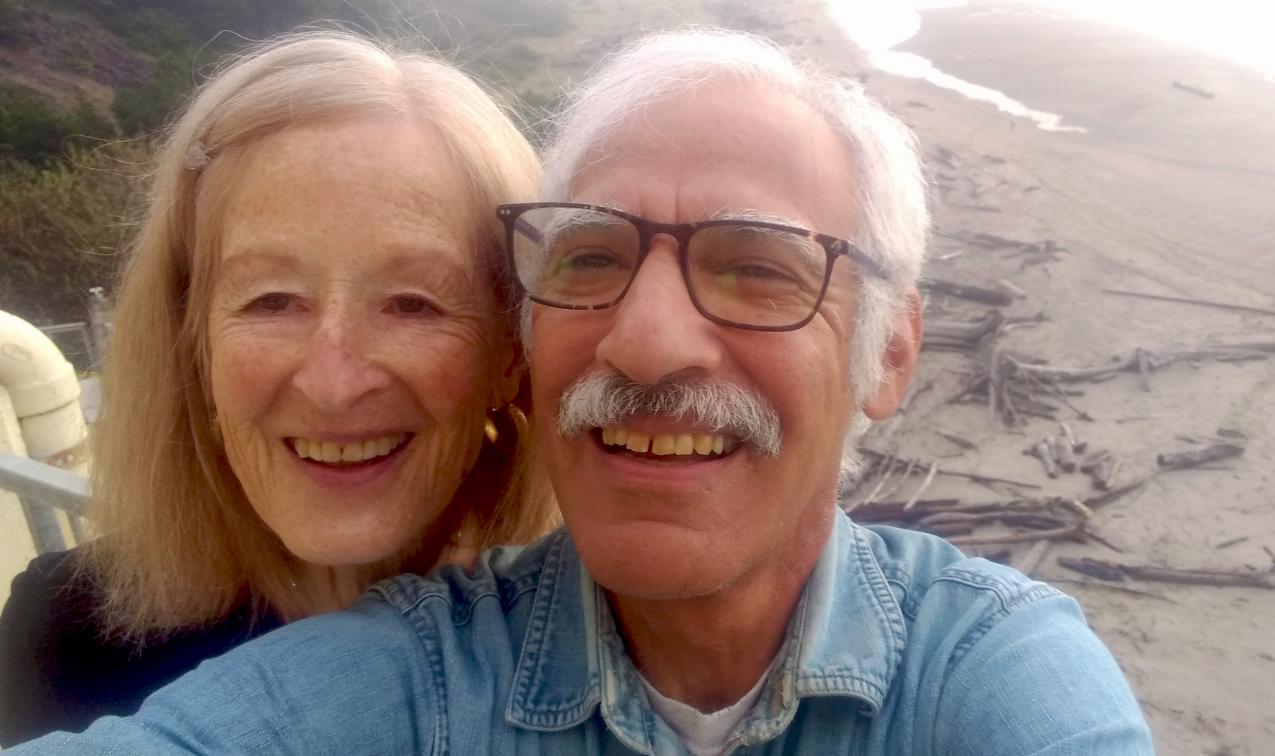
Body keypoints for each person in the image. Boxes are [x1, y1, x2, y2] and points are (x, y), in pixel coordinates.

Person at [6, 29, 1155, 755]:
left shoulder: (981, 667)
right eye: (595, 259)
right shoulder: (424, 663)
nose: (646, 343)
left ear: (891, 353)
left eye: (757, 267)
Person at [0, 31, 558, 746]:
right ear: (192, 344)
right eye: (271, 300)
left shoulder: (598, 647)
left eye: (413, 304)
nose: (333, 384)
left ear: (508, 356)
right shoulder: (66, 639)